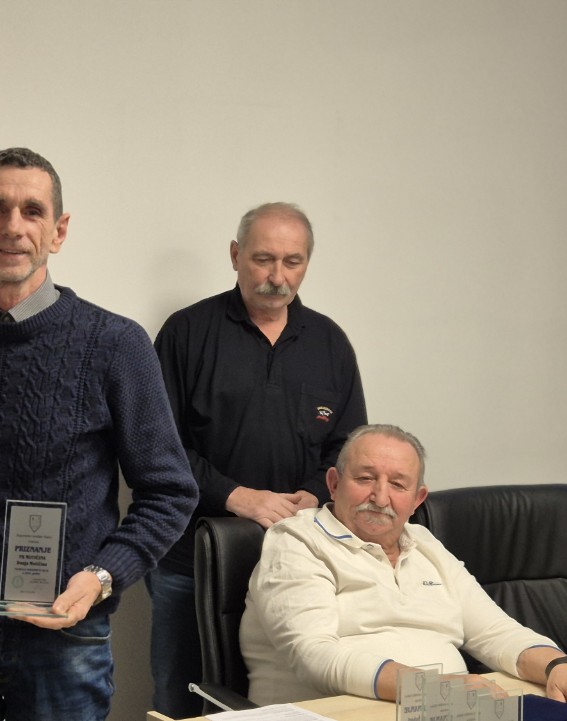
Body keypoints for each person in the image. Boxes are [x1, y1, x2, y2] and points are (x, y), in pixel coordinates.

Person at [0, 147, 199, 721]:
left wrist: (102, 577)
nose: (13, 227)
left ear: (59, 230)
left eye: (32, 211)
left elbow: (170, 491)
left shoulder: (116, 345)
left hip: (65, 639)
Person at [146, 201, 367, 716]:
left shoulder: (330, 343)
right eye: (264, 259)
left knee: (283, 701)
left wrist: (314, 492)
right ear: (235, 255)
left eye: (293, 262)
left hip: (300, 560)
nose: (277, 276)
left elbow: (348, 447)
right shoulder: (185, 333)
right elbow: (157, 448)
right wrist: (236, 496)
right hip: (190, 559)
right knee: (181, 697)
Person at [241, 424, 567, 709]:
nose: (380, 497)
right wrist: (430, 688)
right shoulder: (296, 541)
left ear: (417, 499)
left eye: (397, 484)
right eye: (365, 479)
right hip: (331, 712)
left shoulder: (424, 544)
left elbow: (494, 631)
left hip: (445, 709)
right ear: (333, 484)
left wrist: (558, 666)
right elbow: (314, 655)